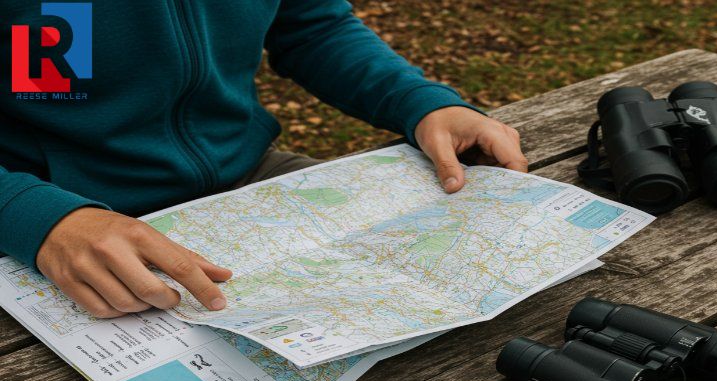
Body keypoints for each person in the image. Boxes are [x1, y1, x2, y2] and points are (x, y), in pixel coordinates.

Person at [1, 1, 527, 318]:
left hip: (252, 177)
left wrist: (423, 103)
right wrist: (35, 216)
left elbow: (311, 26)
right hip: (54, 215)